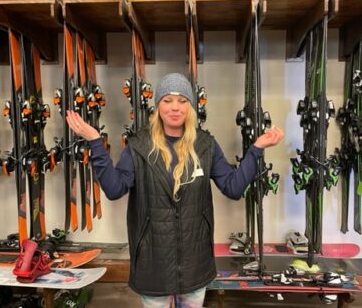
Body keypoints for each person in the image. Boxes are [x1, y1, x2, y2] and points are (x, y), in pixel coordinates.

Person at [66, 73, 284, 308]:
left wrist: (256, 150)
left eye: (182, 101)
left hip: (195, 262)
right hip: (153, 264)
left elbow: (233, 187)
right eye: (167, 100)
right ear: (158, 105)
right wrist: (95, 142)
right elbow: (114, 188)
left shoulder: (205, 145)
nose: (175, 108)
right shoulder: (139, 146)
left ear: (190, 106)